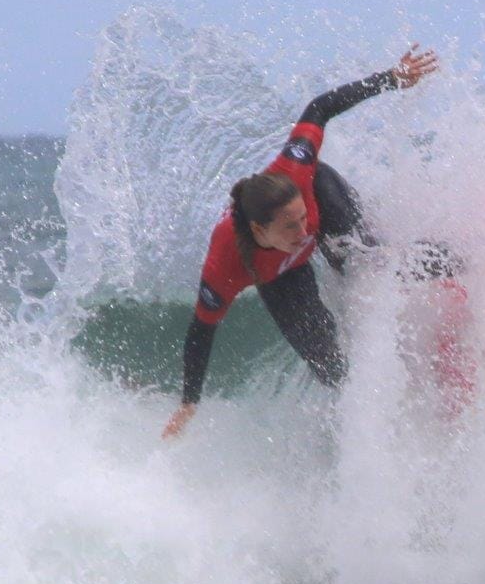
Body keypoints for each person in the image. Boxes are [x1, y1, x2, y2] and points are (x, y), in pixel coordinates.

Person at [162, 45, 439, 438]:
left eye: (300, 220)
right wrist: (189, 400)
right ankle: (393, 411)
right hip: (281, 274)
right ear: (259, 231)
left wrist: (392, 78)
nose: (304, 231)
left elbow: (319, 107)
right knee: (328, 367)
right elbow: (201, 330)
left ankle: (468, 260)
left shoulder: (295, 167)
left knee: (370, 265)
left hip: (325, 198)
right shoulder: (228, 263)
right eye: (290, 227)